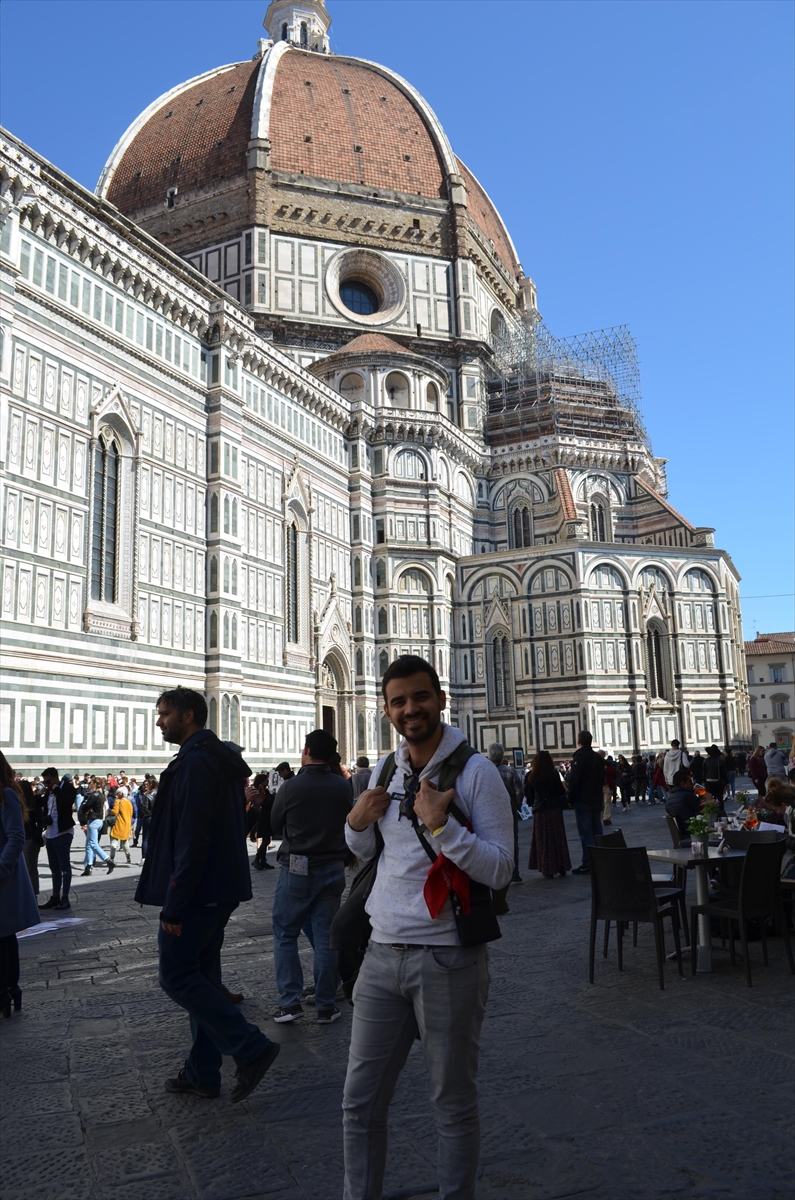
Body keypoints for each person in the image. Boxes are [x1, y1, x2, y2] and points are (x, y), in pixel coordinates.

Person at [342, 655, 513, 1200]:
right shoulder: (384, 772)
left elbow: (501, 868)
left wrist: (442, 825)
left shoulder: (477, 774)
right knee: (359, 1104)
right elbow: (371, 854)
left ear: (440, 699)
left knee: (452, 1103)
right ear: (387, 710)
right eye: (398, 701)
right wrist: (355, 824)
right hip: (381, 956)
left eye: (419, 697)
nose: (409, 709)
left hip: (448, 960)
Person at [135, 687, 280, 1104]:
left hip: (199, 892)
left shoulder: (197, 763)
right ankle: (203, 1073)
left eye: (164, 713)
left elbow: (193, 838)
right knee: (204, 978)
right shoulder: (215, 758)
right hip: (220, 887)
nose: (159, 721)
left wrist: (175, 901)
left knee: (176, 975)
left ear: (189, 716)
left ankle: (251, 1047)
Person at [269, 729, 352, 1024]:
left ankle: (290, 1003)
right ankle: (326, 1006)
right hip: (332, 866)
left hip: (299, 864)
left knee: (285, 933)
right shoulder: (343, 787)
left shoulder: (291, 787)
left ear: (306, 751)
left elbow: (276, 823)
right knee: (327, 938)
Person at [0, 753, 40, 1019]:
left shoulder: (6, 795)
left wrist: (1, 868)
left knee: (3, 936)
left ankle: (6, 989)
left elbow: (16, 836)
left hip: (4, 879)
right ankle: (10, 989)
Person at [526, 750, 570, 878]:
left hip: (540, 811)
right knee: (558, 838)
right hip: (554, 809)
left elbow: (529, 797)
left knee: (543, 840)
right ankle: (561, 866)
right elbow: (560, 791)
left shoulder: (532, 776)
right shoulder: (553, 774)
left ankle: (547, 868)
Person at [567, 731, 606, 875]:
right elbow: (602, 778)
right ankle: (600, 860)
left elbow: (575, 780)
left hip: (583, 799)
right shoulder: (597, 757)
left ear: (579, 741)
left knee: (586, 833)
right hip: (596, 798)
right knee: (597, 831)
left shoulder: (580, 757)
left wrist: (570, 798)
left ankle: (588, 863)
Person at [38, 767, 76, 911]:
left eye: (48, 781)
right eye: (45, 782)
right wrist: (39, 795)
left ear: (55, 778)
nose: (46, 784)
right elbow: (43, 807)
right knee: (54, 867)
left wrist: (56, 790)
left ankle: (65, 897)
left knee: (64, 867)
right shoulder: (48, 792)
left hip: (63, 832)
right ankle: (55, 897)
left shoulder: (67, 788)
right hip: (50, 833)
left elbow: (67, 804)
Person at [486, 743, 524, 881]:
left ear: (489, 755)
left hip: (489, 813)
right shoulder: (510, 771)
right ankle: (514, 873)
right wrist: (517, 806)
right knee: (512, 840)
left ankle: (494, 873)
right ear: (502, 755)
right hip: (509, 811)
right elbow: (519, 791)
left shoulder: (484, 771)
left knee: (490, 842)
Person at [78, 783, 111, 876]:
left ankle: (108, 860)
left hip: (93, 820)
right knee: (89, 844)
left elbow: (84, 807)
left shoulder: (93, 795)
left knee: (93, 844)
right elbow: (106, 809)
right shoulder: (102, 796)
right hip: (99, 820)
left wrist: (84, 817)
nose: (89, 786)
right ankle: (88, 866)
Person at [20, 777, 44, 896]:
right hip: (27, 838)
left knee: (30, 869)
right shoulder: (27, 804)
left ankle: (32, 895)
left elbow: (38, 821)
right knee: (29, 869)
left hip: (29, 838)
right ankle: (30, 894)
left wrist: (36, 835)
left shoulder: (30, 805)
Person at [664, 768, 700, 838]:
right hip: (693, 833)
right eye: (690, 782)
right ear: (683, 784)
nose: (692, 784)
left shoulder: (668, 800)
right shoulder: (688, 796)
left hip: (682, 835)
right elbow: (704, 809)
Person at [108, 786, 134, 864]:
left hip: (118, 824)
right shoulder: (129, 802)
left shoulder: (118, 801)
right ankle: (128, 857)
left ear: (121, 794)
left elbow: (114, 812)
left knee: (114, 842)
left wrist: (110, 812)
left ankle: (112, 858)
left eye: (118, 793)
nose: (117, 795)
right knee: (125, 841)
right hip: (126, 824)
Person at [703, 745, 728, 813]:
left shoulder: (706, 761)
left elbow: (704, 773)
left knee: (710, 799)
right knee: (720, 798)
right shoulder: (720, 761)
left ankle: (712, 811)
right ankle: (721, 812)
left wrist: (704, 781)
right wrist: (726, 782)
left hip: (708, 782)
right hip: (718, 782)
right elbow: (723, 773)